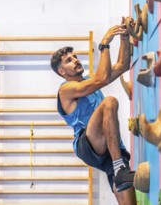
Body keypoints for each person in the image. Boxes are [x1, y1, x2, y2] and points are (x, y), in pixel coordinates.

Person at [50, 18, 136, 205]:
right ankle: (119, 168)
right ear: (62, 72)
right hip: (87, 143)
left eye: (74, 57)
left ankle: (118, 172)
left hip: (109, 147)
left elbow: (122, 65)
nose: (75, 60)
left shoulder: (90, 80)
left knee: (127, 194)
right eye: (68, 60)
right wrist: (104, 44)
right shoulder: (66, 90)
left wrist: (124, 35)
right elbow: (102, 78)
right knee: (109, 103)